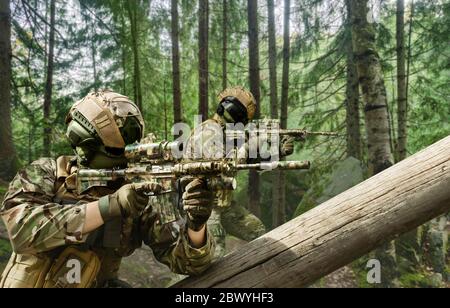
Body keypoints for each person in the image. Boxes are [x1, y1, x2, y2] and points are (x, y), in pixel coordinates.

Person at [0, 90, 214, 288]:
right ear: (84, 144)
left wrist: (196, 226)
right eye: (115, 152)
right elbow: (21, 232)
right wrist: (110, 206)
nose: (125, 159)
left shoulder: (135, 193)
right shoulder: (46, 173)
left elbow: (187, 262)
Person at [184, 86, 294, 258]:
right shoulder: (208, 131)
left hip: (223, 205)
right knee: (214, 256)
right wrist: (254, 142)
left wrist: (278, 151)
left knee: (258, 233)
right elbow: (223, 167)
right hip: (203, 207)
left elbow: (251, 162)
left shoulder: (227, 134)